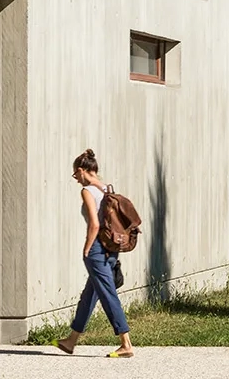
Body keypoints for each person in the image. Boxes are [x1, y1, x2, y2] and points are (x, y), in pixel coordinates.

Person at [56, 148, 134, 359]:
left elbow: (95, 223)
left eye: (75, 175)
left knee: (108, 294)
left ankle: (126, 343)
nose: (76, 179)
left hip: (98, 249)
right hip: (111, 248)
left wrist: (87, 248)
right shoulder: (107, 188)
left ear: (82, 170)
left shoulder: (88, 191)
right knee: (90, 294)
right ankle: (71, 341)